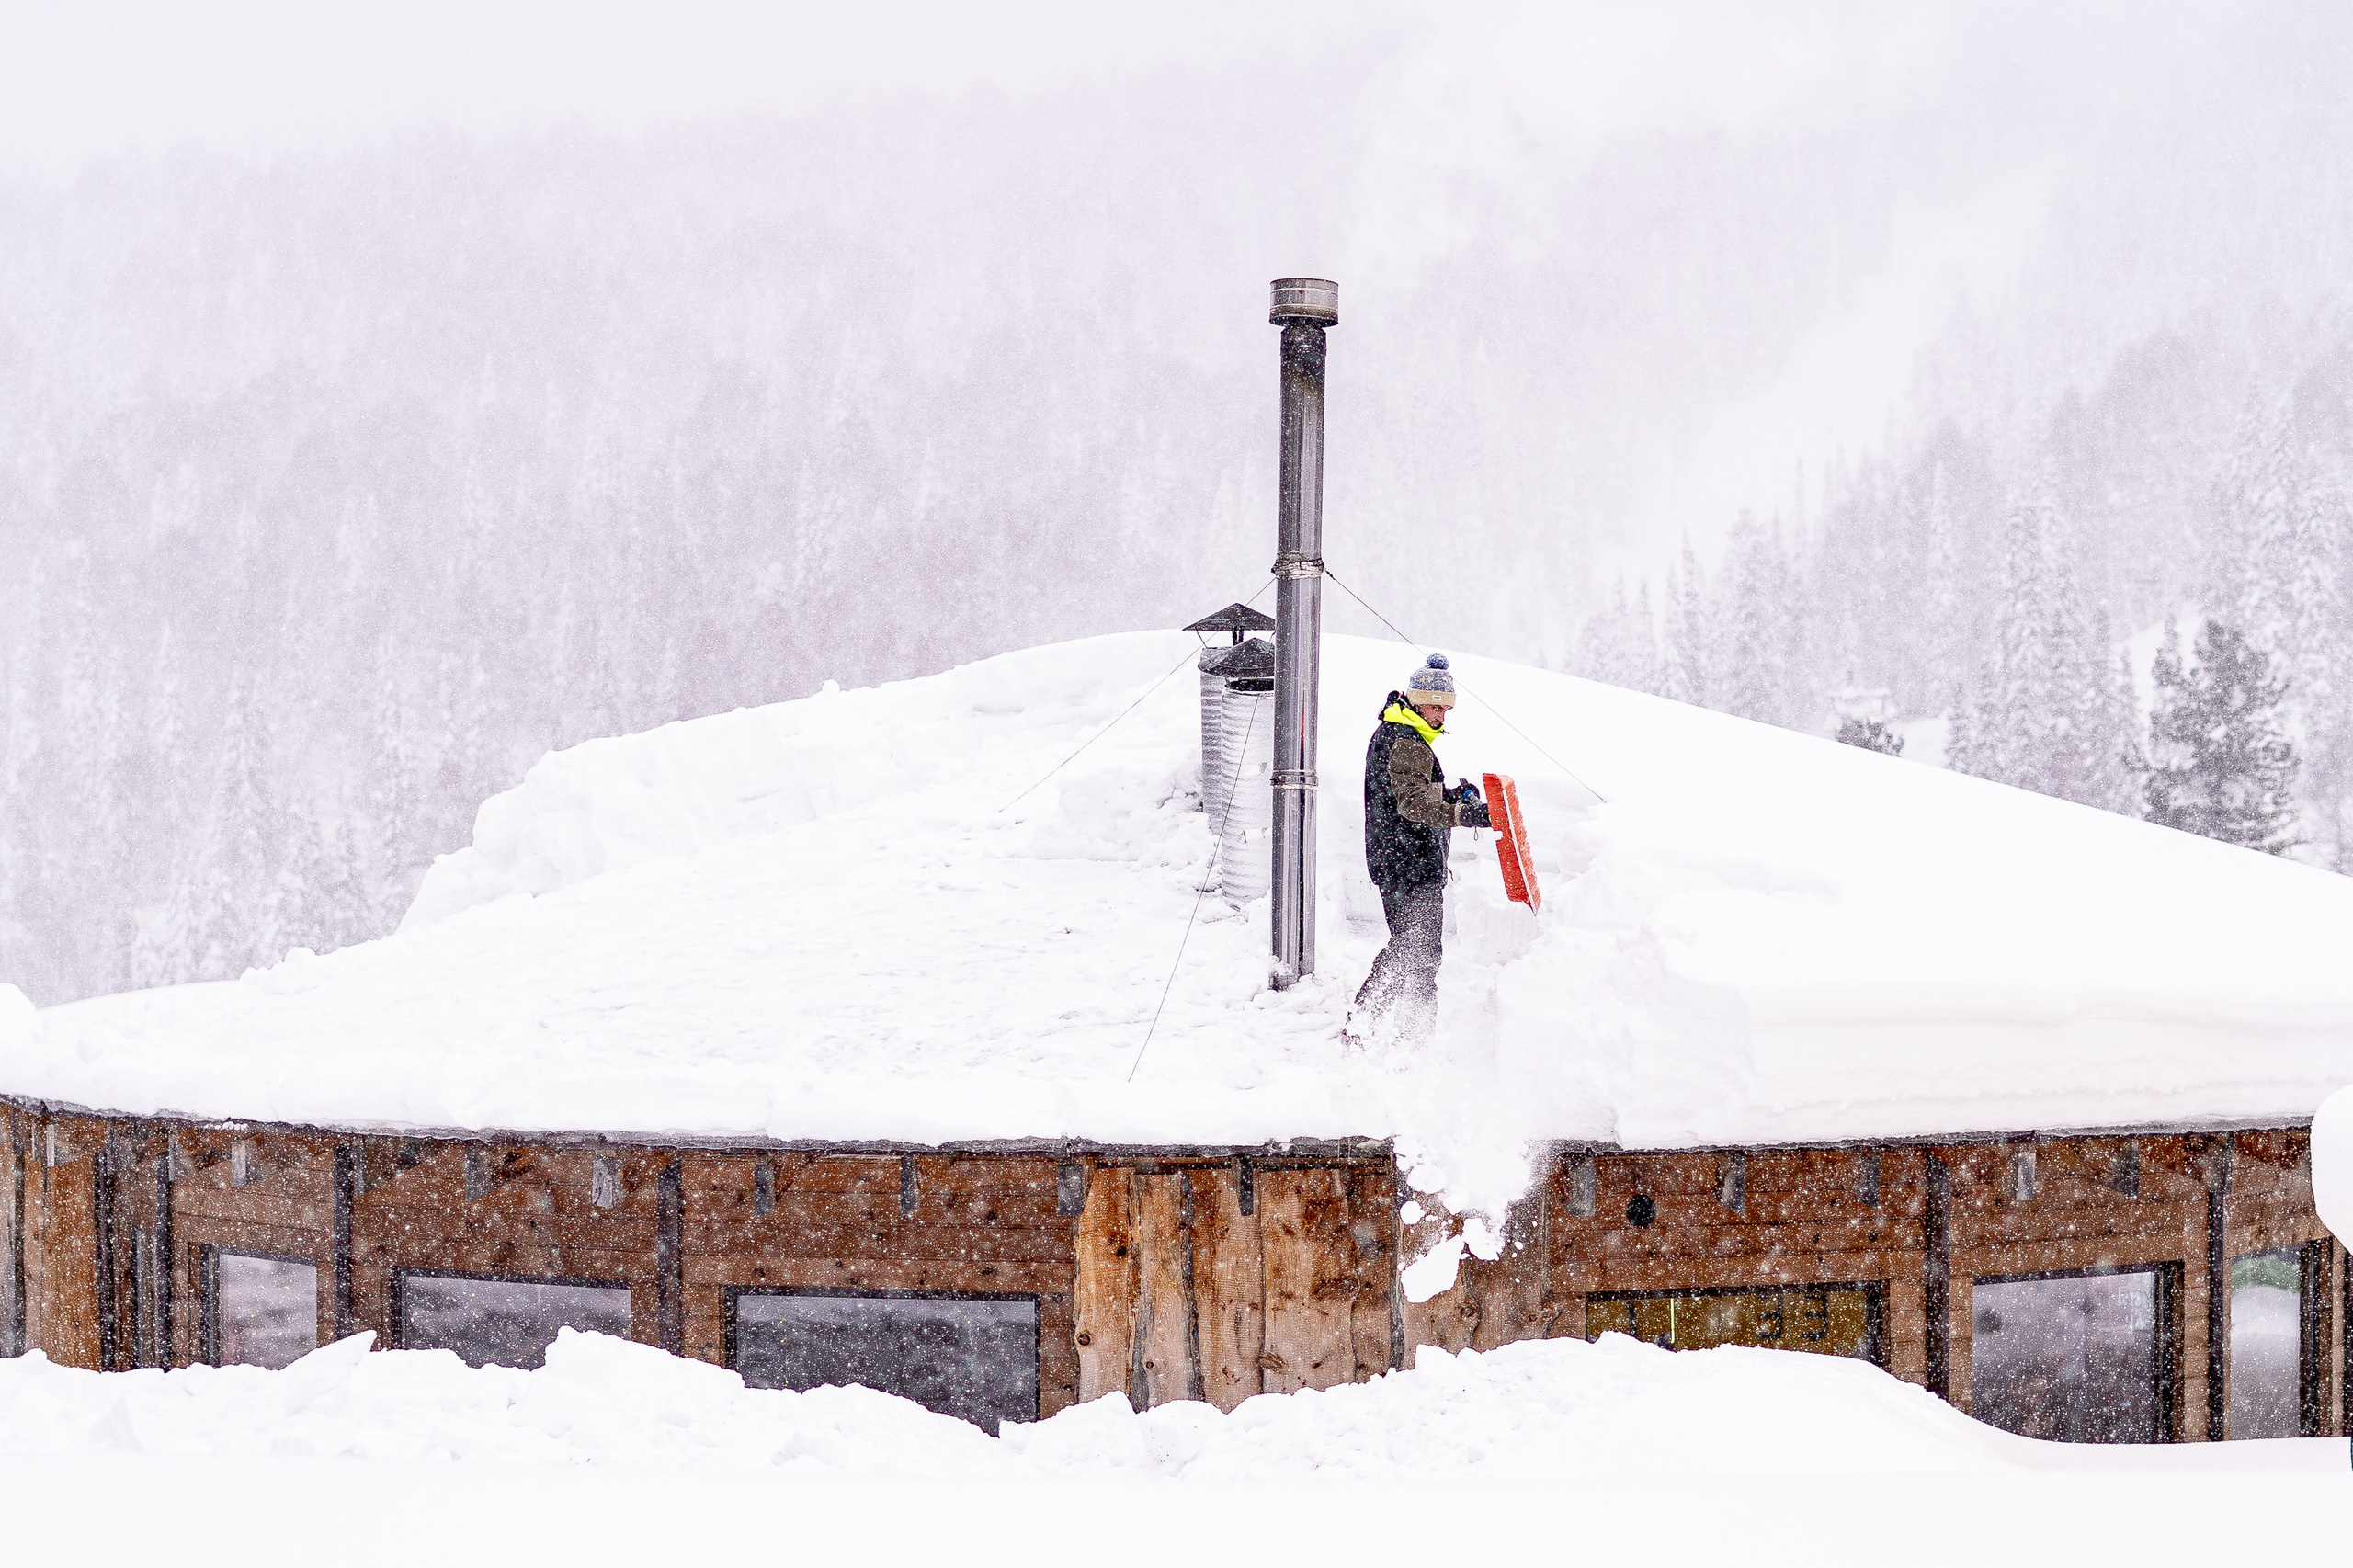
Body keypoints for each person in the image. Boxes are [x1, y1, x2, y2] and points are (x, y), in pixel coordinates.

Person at [1350, 653, 1489, 1044]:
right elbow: (1412, 805)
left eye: (1447, 709)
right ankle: (1397, 1030)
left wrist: (1452, 794)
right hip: (1408, 862)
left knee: (1413, 947)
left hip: (1396, 859)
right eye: (1435, 706)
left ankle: (1379, 1024)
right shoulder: (1408, 742)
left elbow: (1410, 792)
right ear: (1416, 700)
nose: (1442, 716)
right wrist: (1468, 814)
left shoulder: (1396, 733)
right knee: (1419, 950)